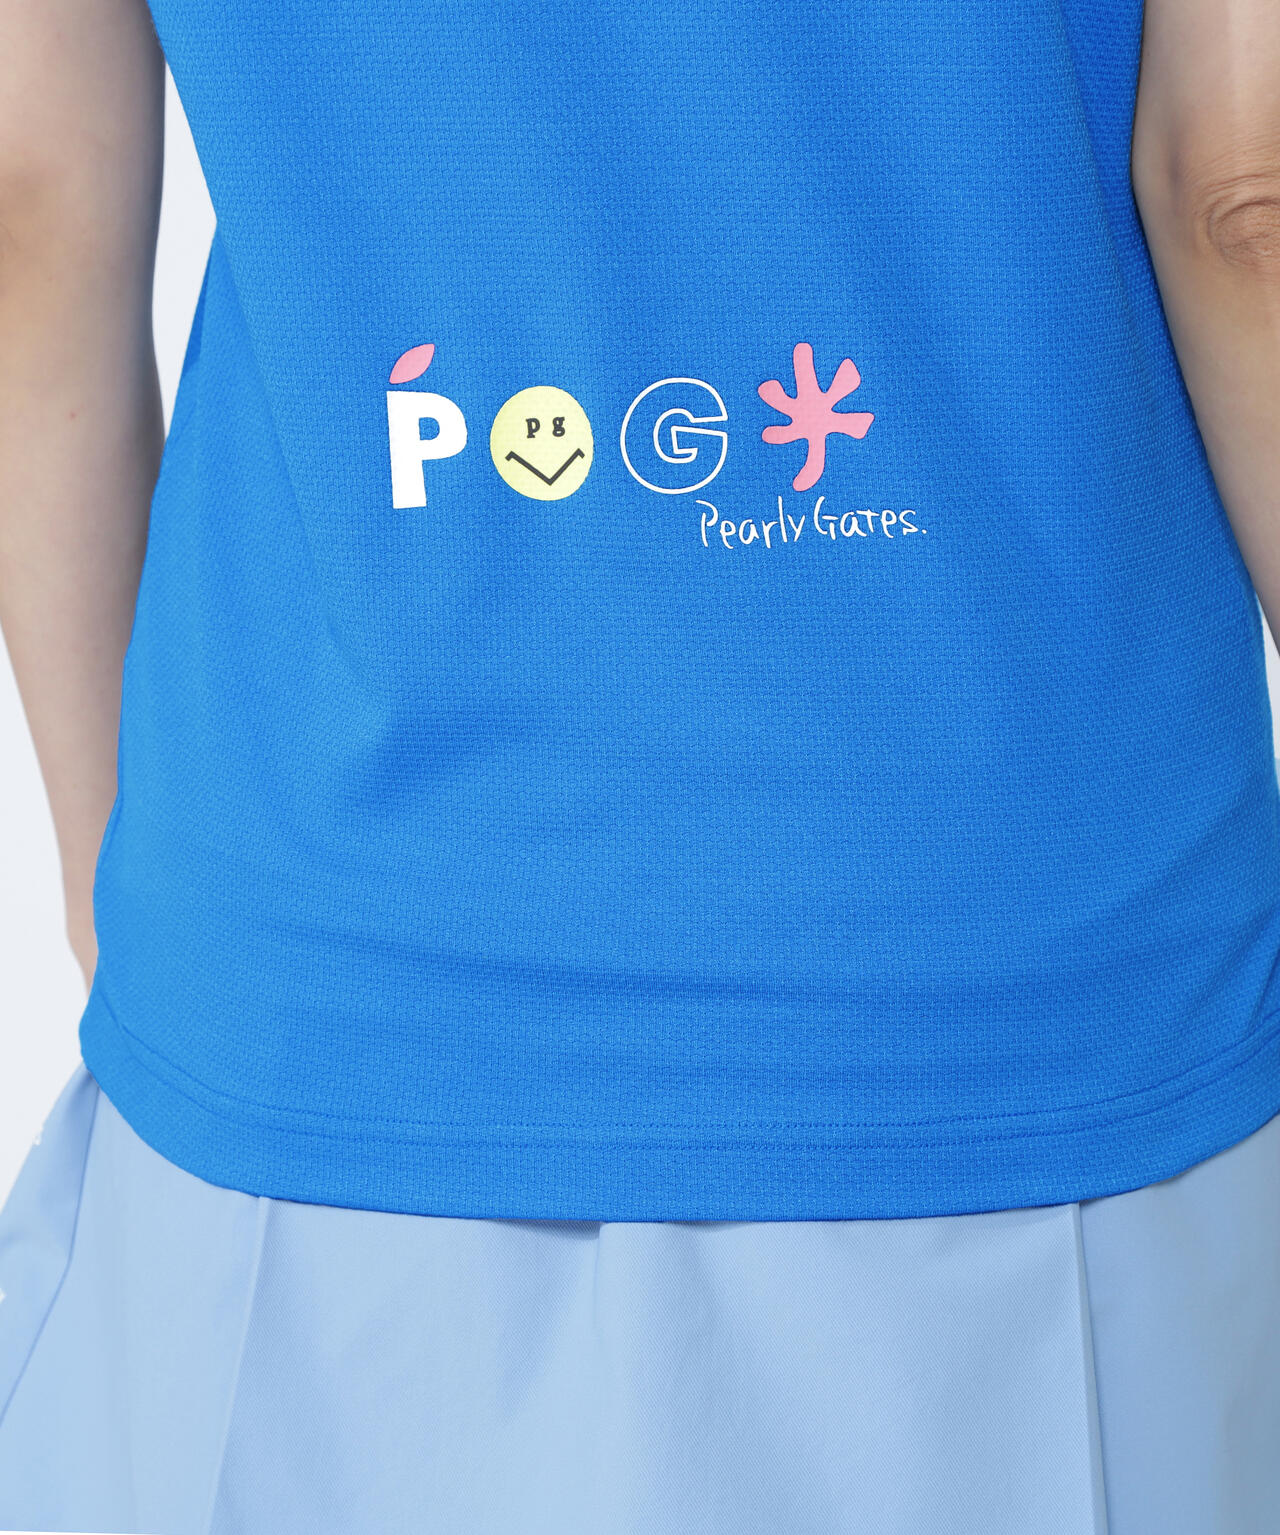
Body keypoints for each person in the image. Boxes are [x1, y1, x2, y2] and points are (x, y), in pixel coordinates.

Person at [1, 0, 1278, 1529]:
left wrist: (129, 889)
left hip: (312, 1033)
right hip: (1030, 1025)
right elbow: (1242, 189)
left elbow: (30, 196)